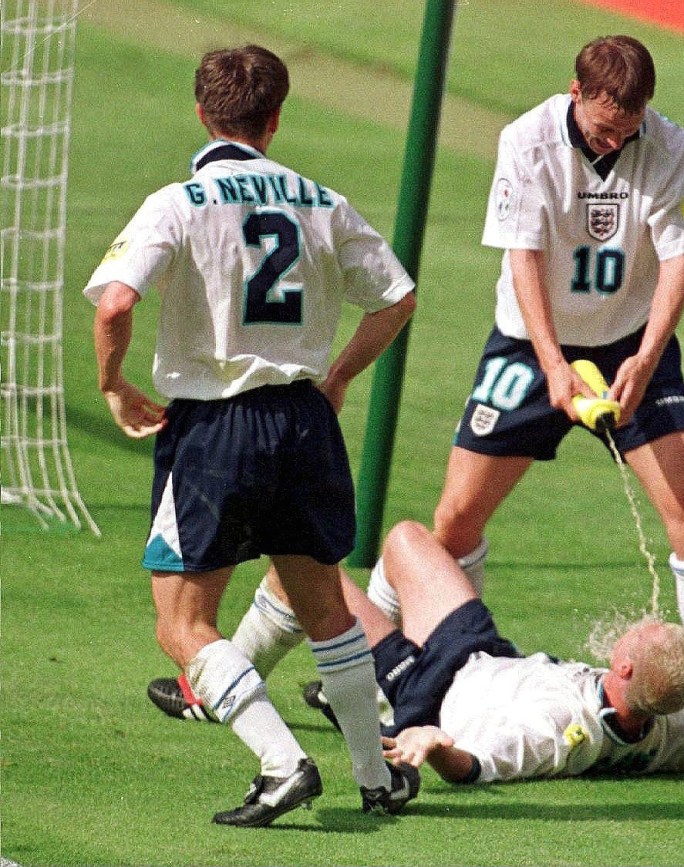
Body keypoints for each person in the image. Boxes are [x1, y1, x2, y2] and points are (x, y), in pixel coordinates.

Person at [85, 44, 419, 826]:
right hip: (303, 420)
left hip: (216, 427)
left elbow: (114, 304)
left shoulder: (179, 200)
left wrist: (112, 383)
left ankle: (283, 762)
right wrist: (336, 377)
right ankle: (377, 777)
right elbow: (397, 298)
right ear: (275, 119)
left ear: (203, 114)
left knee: (181, 624)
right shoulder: (319, 199)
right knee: (325, 607)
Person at [364, 34, 684, 706]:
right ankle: (383, 666)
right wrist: (555, 367)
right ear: (576, 93)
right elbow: (524, 258)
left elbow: (679, 260)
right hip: (532, 345)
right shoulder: (526, 140)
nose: (612, 144)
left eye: (628, 131)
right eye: (602, 129)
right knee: (454, 519)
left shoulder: (670, 144)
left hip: (631, 341)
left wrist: (647, 361)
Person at [148, 521, 684, 785]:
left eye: (637, 635)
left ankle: (212, 689)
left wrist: (434, 743)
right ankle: (359, 678)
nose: (633, 625)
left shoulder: (558, 730)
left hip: (431, 690)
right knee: (409, 540)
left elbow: (478, 766)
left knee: (298, 561)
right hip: (482, 650)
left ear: (627, 669)